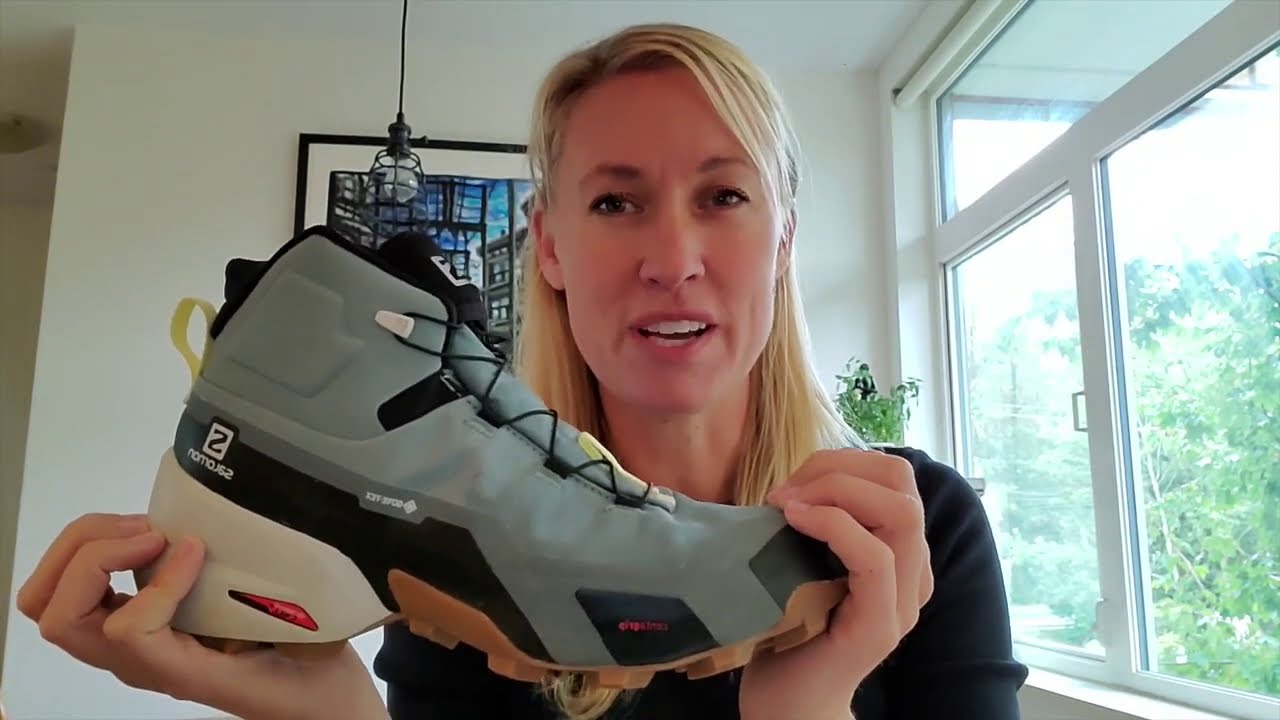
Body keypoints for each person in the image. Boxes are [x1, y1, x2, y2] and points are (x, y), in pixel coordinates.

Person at [14, 22, 1027, 720]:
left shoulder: (911, 525)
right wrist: (329, 713)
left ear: (784, 241)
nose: (672, 259)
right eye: (614, 203)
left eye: (723, 197)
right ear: (548, 247)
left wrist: (805, 707)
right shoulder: (453, 531)